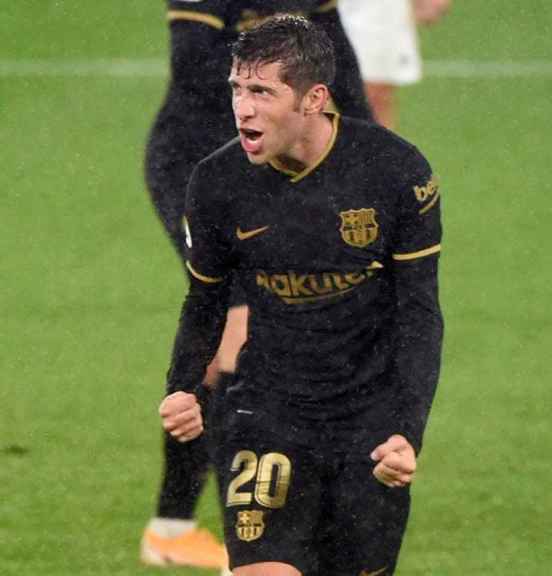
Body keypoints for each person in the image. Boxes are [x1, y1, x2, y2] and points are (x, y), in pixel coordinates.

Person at [158, 14, 442, 576]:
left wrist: (407, 431)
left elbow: (419, 314)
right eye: (238, 89)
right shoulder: (217, 182)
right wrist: (183, 386)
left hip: (368, 423)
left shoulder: (395, 173)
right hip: (266, 411)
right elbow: (206, 299)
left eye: (262, 92)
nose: (242, 108)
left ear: (313, 99)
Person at [142, 1, 372, 570]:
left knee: (273, 327)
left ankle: (175, 529)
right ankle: (246, 538)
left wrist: (368, 160)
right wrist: (281, 73)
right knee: (236, 331)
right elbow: (195, 72)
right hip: (197, 165)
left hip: (271, 165)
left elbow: (339, 63)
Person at [337, 0, 452, 130]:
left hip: (385, 13)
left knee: (378, 94)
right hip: (352, 12)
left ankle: (379, 147)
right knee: (339, 90)